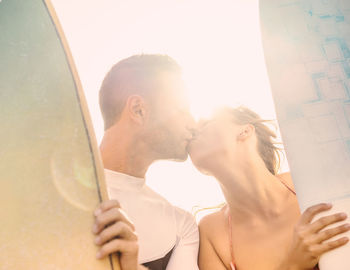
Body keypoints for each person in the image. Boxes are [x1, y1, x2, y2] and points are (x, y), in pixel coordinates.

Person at [188, 106, 350, 270]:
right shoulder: (211, 232)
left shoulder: (311, 180)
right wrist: (292, 265)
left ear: (245, 131)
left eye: (206, 123)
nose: (192, 132)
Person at [92, 54, 199, 270]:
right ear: (138, 110)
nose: (194, 125)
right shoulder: (43, 189)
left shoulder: (182, 225)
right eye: (182, 110)